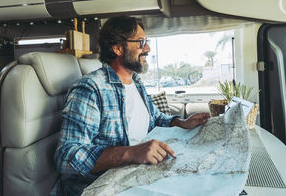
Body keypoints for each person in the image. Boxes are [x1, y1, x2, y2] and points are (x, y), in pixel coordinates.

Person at [51, 16, 210, 195]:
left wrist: (181, 122)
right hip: (104, 186)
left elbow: (155, 118)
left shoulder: (136, 82)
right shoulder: (90, 88)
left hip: (137, 175)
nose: (148, 48)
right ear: (118, 48)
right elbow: (66, 157)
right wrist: (129, 153)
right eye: (141, 42)